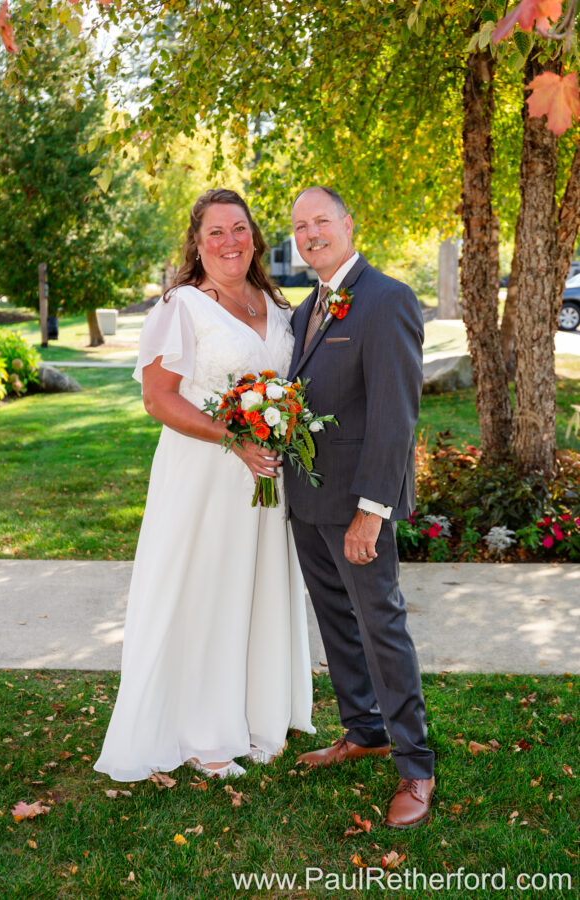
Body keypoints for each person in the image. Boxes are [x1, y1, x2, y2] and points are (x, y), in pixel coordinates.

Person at [94, 188, 314, 782]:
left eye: (239, 229)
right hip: (206, 475)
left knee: (258, 585)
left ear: (255, 237)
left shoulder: (274, 301)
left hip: (265, 478)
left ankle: (258, 714)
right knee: (206, 593)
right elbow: (157, 398)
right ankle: (203, 734)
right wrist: (233, 438)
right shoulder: (182, 307)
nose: (229, 242)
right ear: (196, 242)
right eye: (215, 232)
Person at [283, 186, 435, 829]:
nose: (311, 232)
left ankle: (416, 765)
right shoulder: (302, 311)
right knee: (336, 622)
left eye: (322, 221)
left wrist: (372, 511)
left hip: (357, 504)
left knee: (381, 626)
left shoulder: (387, 299)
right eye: (299, 225)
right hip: (307, 498)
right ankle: (364, 729)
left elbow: (396, 417)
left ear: (348, 224)